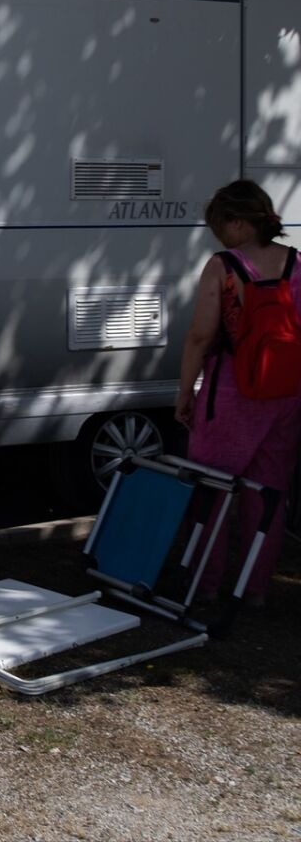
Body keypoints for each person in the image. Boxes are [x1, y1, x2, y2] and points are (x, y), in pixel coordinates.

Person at [175, 179, 301, 607]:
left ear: (240, 222)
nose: (217, 235)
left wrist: (185, 390)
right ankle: (255, 590)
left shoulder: (224, 266)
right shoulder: (297, 263)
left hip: (230, 392)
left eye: (220, 225)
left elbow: (199, 335)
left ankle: (204, 585)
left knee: (211, 490)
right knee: (267, 495)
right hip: (286, 392)